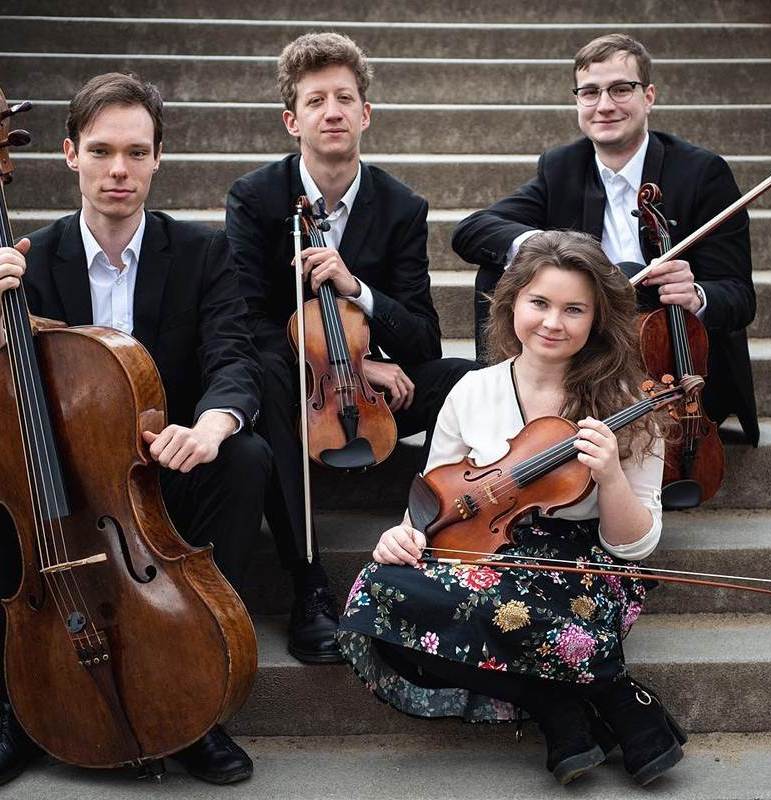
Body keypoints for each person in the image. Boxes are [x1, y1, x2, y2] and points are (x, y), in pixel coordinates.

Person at [337, 231, 687, 787]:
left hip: (583, 562)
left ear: (597, 318)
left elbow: (635, 545)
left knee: (508, 604)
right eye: (539, 303)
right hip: (488, 548)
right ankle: (583, 698)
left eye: (574, 309)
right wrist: (403, 535)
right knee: (376, 588)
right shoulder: (472, 390)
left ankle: (579, 707)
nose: (553, 322)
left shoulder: (628, 403)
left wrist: (611, 475)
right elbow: (436, 496)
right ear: (513, 302)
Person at [0, 72, 269, 786]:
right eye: (101, 150)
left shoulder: (204, 253)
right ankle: (16, 702)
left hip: (163, 470)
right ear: (70, 155)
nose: (118, 169)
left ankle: (199, 687)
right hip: (62, 483)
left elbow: (234, 357)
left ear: (157, 159)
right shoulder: (26, 262)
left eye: (136, 152)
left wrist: (211, 425)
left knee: (246, 457)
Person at [226, 33, 475, 663]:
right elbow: (246, 318)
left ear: (365, 114)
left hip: (372, 395)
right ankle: (308, 581)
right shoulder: (254, 198)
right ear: (293, 121)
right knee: (265, 372)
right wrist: (341, 364)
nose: (332, 112)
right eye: (316, 101)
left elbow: (422, 334)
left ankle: (440, 542)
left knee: (464, 379)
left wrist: (357, 291)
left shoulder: (401, 206)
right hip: (298, 392)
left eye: (344, 99)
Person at [452, 33, 758, 445]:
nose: (605, 105)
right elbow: (472, 230)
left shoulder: (702, 173)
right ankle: (503, 403)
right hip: (582, 335)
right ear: (578, 101)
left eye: (621, 89)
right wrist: (546, 249)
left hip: (669, 358)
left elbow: (739, 296)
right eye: (590, 92)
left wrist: (697, 294)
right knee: (499, 273)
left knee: (630, 272)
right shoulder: (563, 166)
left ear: (648, 96)